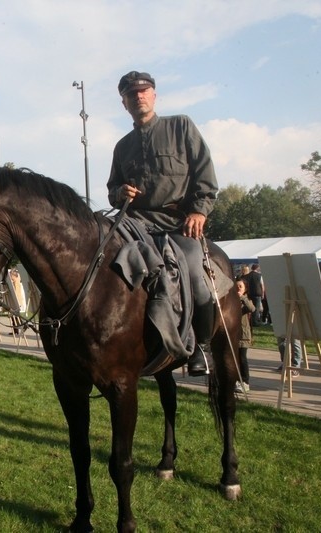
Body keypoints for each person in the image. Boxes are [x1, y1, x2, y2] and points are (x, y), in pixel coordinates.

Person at [107, 70, 218, 376]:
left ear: (154, 95)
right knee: (108, 269)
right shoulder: (122, 146)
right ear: (124, 103)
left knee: (196, 279)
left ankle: (201, 348)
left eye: (143, 91)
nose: (138, 96)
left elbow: (205, 176)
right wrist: (119, 192)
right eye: (131, 94)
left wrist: (199, 211)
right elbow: (111, 189)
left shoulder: (181, 126)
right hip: (135, 223)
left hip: (178, 223)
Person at [235, 279, 256, 393]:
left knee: (242, 358)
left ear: (245, 289)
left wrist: (242, 298)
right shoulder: (232, 299)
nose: (238, 288)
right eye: (236, 286)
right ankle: (237, 380)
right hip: (233, 334)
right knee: (235, 358)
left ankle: (245, 381)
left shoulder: (246, 300)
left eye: (240, 286)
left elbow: (252, 309)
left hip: (243, 334)